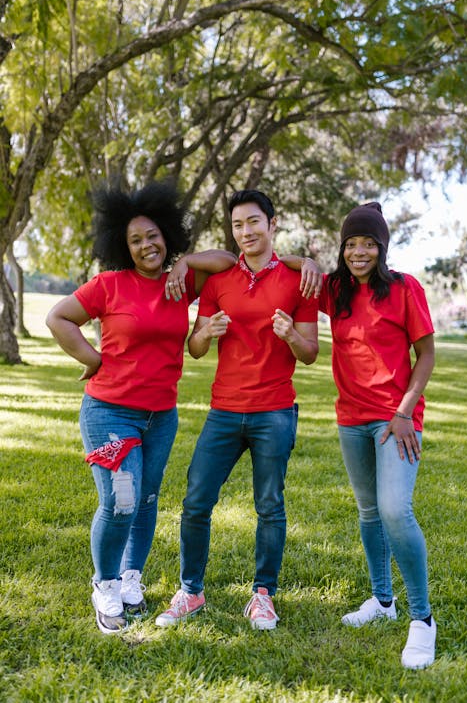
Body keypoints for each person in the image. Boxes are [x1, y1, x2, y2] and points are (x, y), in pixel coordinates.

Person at [46, 180, 237, 635]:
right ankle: (105, 583)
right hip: (110, 411)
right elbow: (59, 317)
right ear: (123, 247)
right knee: (121, 500)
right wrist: (93, 358)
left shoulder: (181, 281)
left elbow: (228, 261)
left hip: (160, 416)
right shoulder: (109, 285)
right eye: (135, 240)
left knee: (147, 499)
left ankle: (131, 577)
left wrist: (186, 262)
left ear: (166, 235)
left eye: (153, 235)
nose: (146, 245)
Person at [155, 189, 319, 630]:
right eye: (237, 225)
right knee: (195, 502)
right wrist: (208, 331)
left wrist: (289, 335)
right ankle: (191, 592)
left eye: (253, 222)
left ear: (272, 223)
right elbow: (194, 348)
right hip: (224, 410)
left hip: (275, 411)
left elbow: (311, 354)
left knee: (270, 506)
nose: (246, 232)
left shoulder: (297, 278)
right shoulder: (220, 279)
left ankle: (263, 595)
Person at [286, 201, 436, 669]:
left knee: (395, 510)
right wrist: (306, 261)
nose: (359, 252)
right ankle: (382, 602)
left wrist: (405, 413)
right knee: (369, 512)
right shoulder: (335, 289)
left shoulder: (405, 288)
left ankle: (422, 619)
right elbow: (281, 263)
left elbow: (426, 356)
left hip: (396, 419)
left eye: (368, 243)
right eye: (350, 243)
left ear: (382, 247)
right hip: (351, 418)